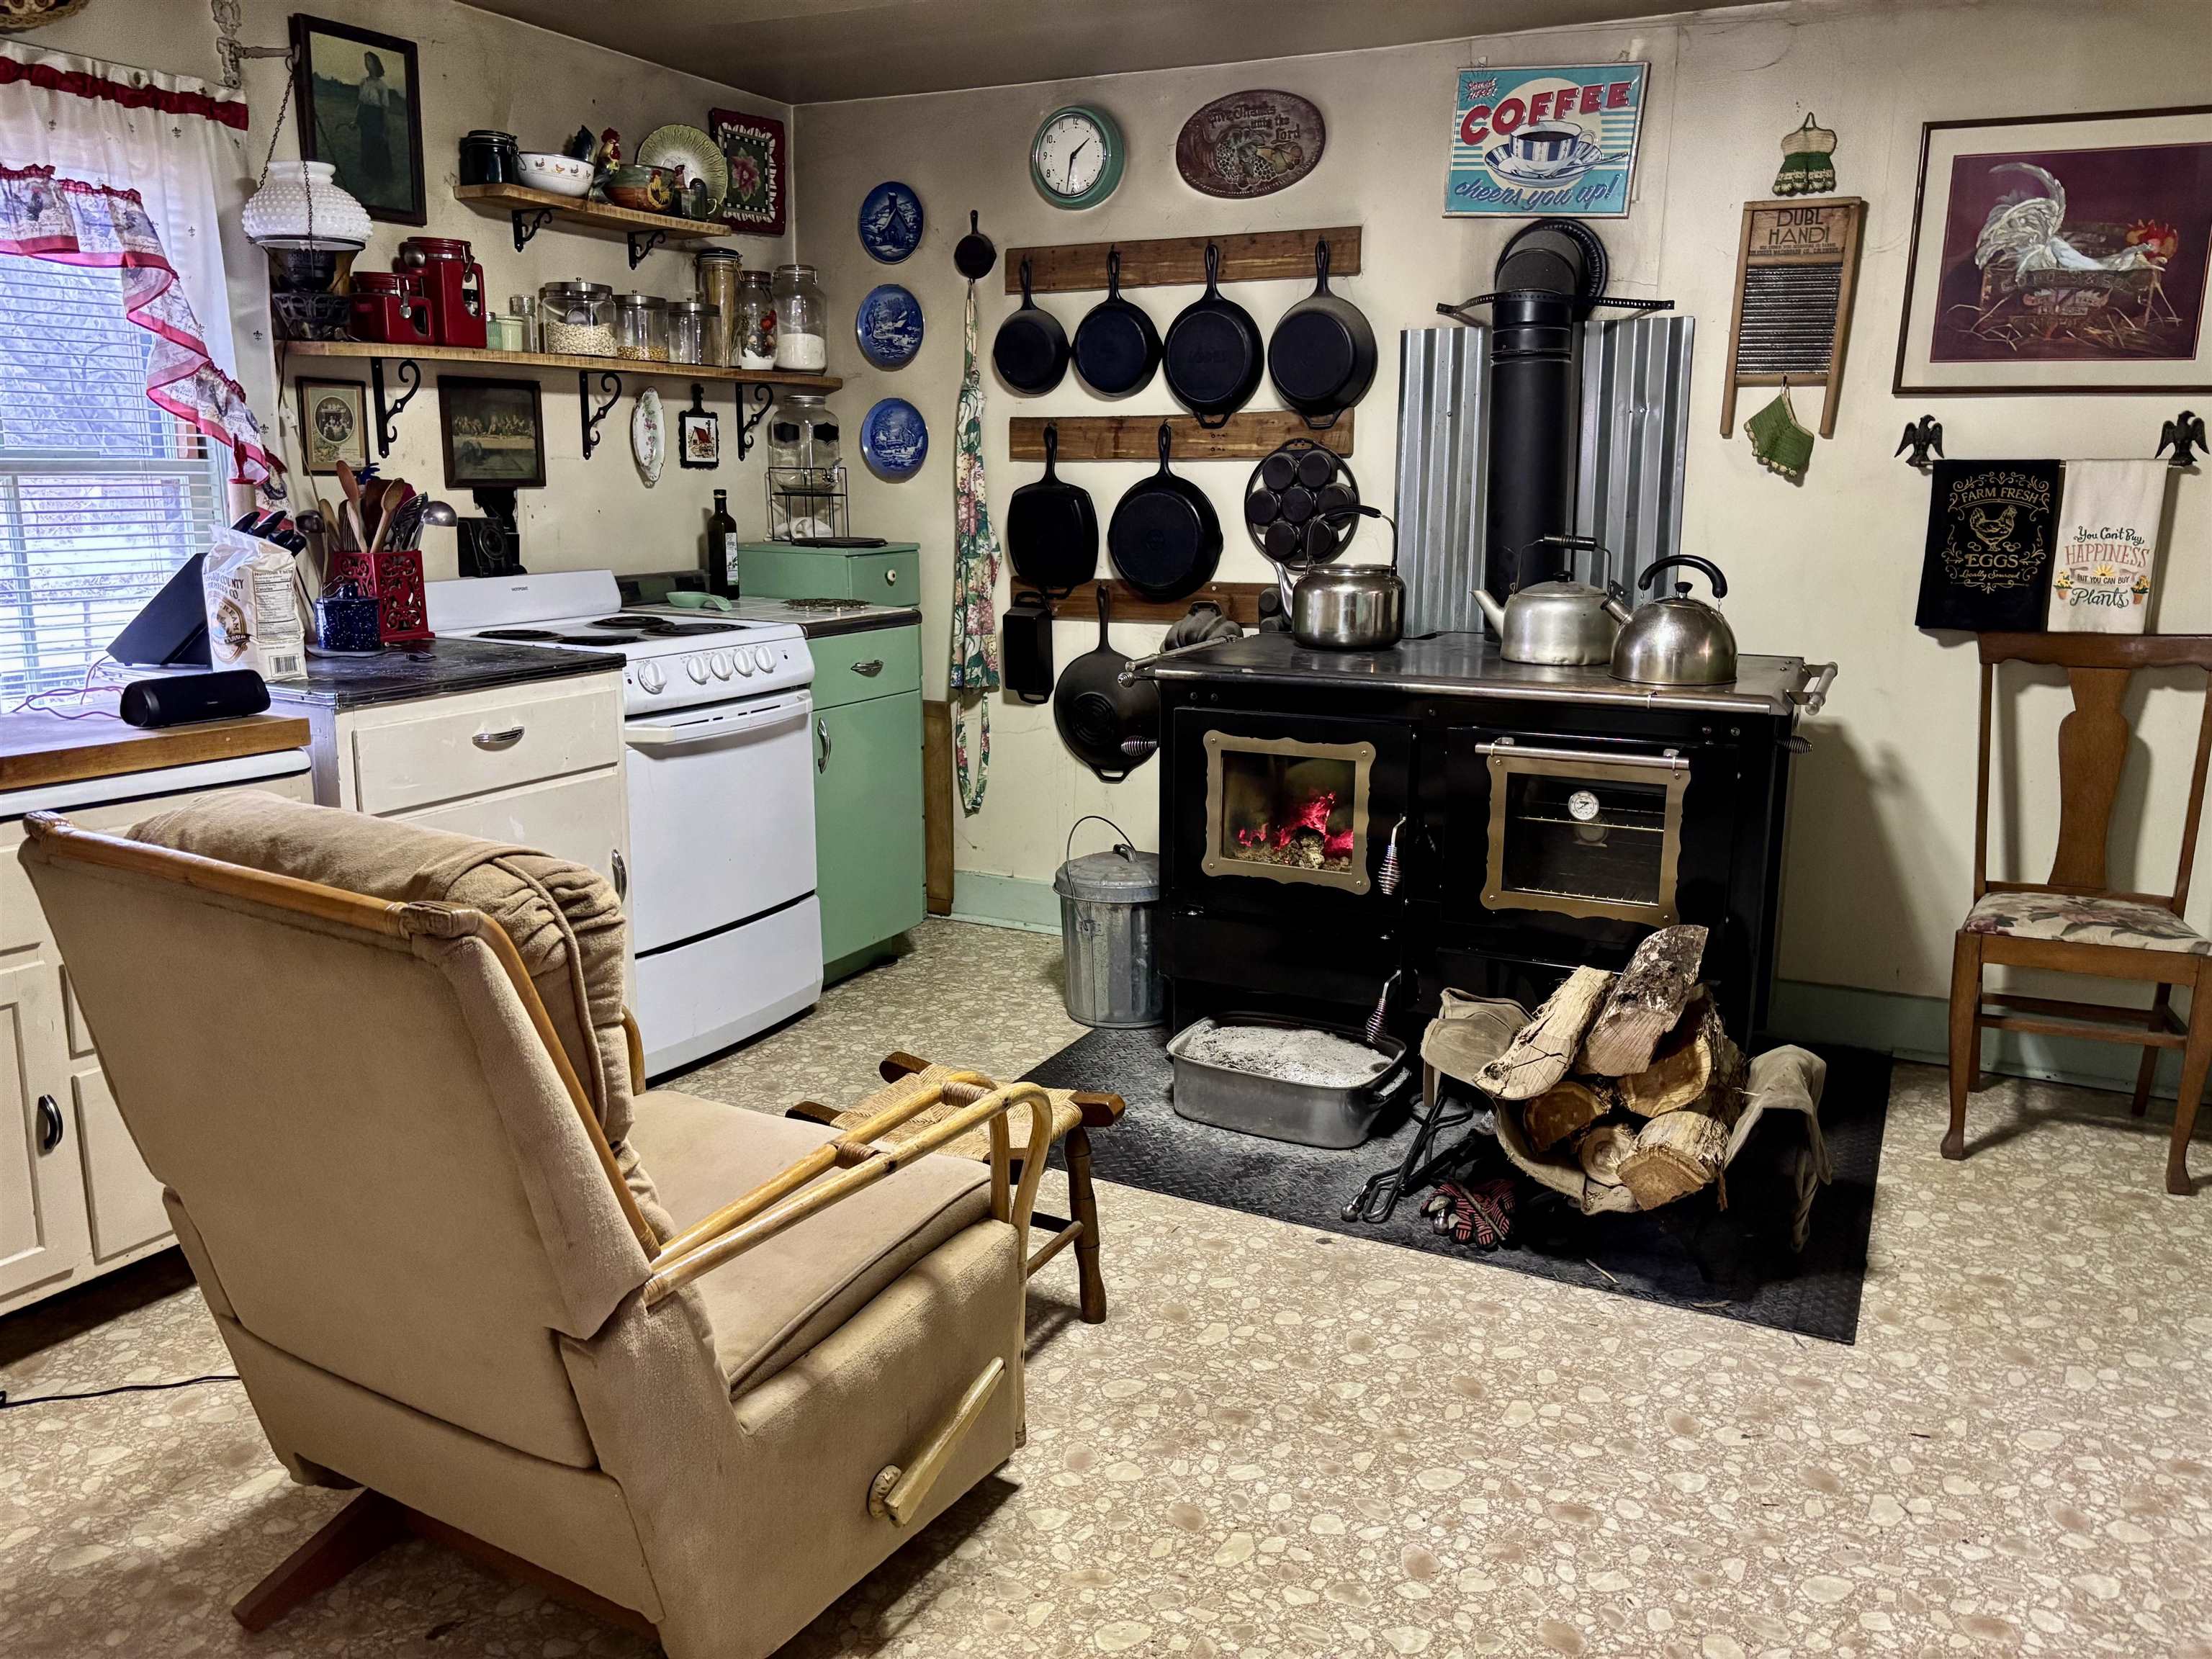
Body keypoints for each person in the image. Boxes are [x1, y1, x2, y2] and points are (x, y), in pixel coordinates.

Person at [355, 51, 392, 194]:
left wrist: (385, 126)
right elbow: (360, 103)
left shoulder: (382, 86)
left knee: (378, 145)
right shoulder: (363, 82)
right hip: (366, 117)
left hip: (376, 118)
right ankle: (368, 174)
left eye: (369, 61)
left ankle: (382, 177)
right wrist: (356, 120)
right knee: (366, 145)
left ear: (376, 63)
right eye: (365, 61)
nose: (367, 64)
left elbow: (385, 109)